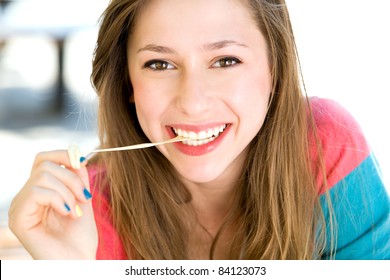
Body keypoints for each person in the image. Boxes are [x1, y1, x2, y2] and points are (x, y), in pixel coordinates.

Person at [8, 0, 390, 260]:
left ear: (276, 69)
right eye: (159, 64)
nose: (193, 102)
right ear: (127, 83)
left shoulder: (325, 145)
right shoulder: (85, 214)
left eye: (226, 60)